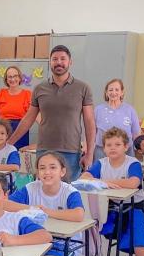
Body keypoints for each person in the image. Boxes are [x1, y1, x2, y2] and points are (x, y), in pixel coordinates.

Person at [7, 45, 96, 180]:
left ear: (70, 62)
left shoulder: (83, 88)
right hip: (44, 151)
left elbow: (89, 122)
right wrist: (9, 143)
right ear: (50, 62)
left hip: (71, 152)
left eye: (63, 59)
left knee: (69, 194)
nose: (59, 62)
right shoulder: (39, 89)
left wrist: (89, 153)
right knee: (44, 191)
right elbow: (28, 119)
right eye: (55, 59)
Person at [81, 127, 144, 256]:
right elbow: (84, 177)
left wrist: (103, 182)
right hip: (109, 208)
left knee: (139, 237)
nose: (113, 148)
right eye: (109, 145)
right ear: (104, 148)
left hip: (133, 208)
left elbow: (133, 182)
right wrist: (95, 180)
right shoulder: (101, 163)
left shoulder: (132, 163)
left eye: (117, 145)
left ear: (126, 147)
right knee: (87, 227)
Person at [94, 78, 141, 160]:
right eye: (110, 90)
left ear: (122, 92)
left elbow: (136, 134)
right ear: (106, 92)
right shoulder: (98, 109)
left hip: (126, 152)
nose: (113, 92)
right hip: (102, 152)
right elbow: (91, 132)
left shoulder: (130, 110)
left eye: (117, 90)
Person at [0, 66, 35, 150]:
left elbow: (34, 115)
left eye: (15, 76)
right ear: (6, 80)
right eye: (10, 77)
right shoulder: (2, 93)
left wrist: (46, 127)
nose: (12, 79)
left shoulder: (27, 94)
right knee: (3, 156)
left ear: (19, 78)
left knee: (17, 157)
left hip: (21, 131)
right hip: (3, 130)